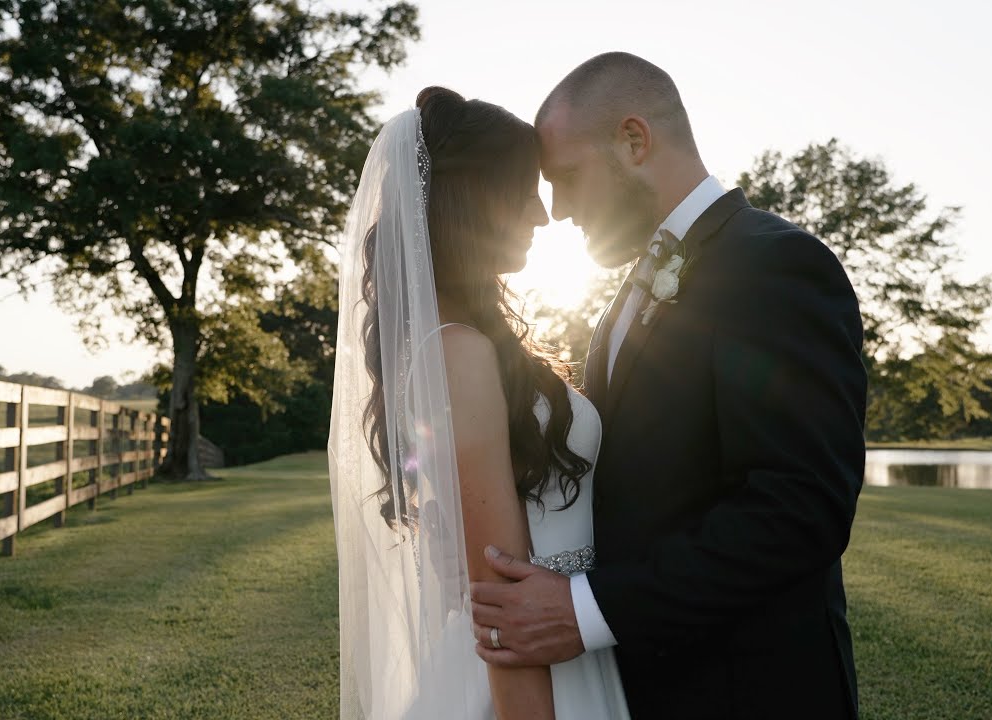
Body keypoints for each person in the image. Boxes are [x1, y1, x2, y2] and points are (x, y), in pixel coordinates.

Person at [468, 52, 867, 719]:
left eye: (566, 178)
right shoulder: (627, 293)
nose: (558, 210)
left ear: (633, 140)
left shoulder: (775, 265)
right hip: (650, 687)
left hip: (753, 691)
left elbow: (800, 507)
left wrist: (587, 611)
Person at [328, 86, 630, 719]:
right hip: (534, 678)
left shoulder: (463, 341)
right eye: (524, 191)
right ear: (474, 201)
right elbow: (500, 593)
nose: (541, 215)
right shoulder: (457, 352)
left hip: (569, 646)